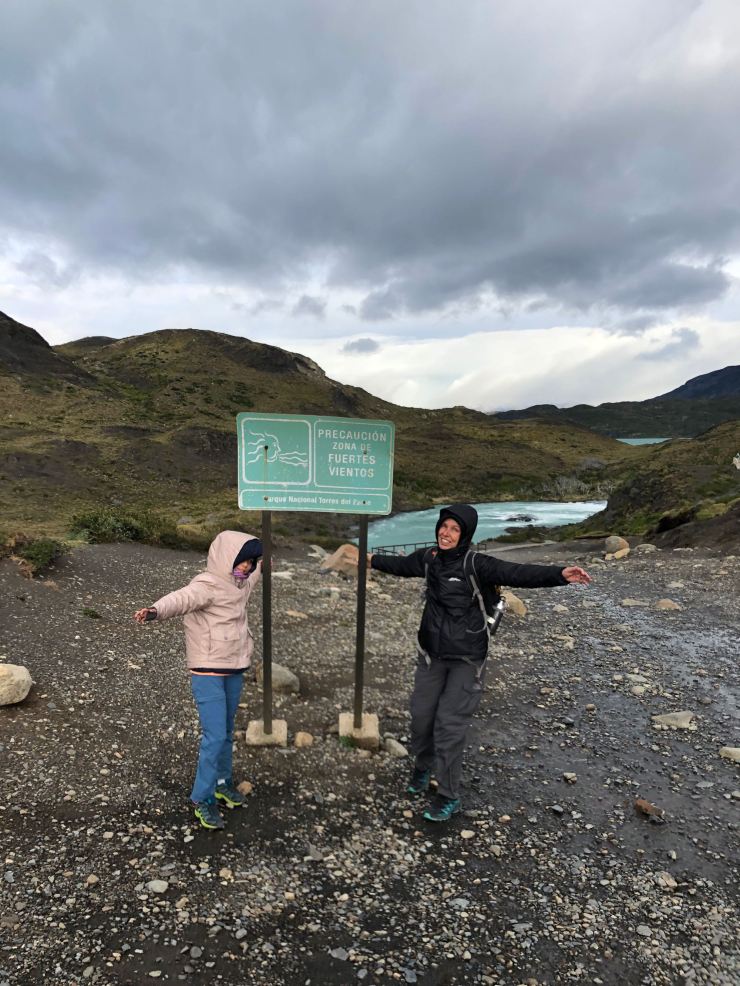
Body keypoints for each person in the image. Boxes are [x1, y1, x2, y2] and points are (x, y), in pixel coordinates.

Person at [369, 503, 591, 823]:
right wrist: (370, 559)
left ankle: (448, 795)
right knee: (421, 718)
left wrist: (560, 575)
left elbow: (518, 573)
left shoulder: (477, 564)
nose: (446, 533)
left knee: (449, 725)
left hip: (467, 660)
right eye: (444, 526)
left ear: (465, 534)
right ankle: (422, 766)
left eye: (454, 529)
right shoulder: (429, 559)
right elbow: (401, 565)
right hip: (431, 656)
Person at [133, 530, 262, 831]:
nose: (246, 566)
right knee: (214, 736)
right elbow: (182, 599)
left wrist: (264, 549)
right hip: (208, 671)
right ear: (227, 558)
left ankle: (222, 783)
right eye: (242, 561)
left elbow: (259, 567)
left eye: (251, 562)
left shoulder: (243, 582)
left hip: (234, 667)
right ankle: (202, 797)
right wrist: (155, 611)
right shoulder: (207, 585)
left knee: (227, 732)